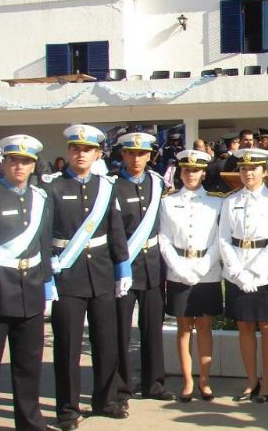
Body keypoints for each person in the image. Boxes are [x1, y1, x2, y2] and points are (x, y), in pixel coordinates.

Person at [44, 124, 132, 430]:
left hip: (102, 275)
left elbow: (115, 229)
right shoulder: (52, 187)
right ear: (68, 152)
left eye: (87, 150)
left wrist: (122, 267)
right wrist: (46, 275)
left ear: (97, 154)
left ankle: (106, 400)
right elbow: (44, 234)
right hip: (67, 277)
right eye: (75, 149)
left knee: (106, 342)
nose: (80, 154)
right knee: (67, 347)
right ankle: (67, 410)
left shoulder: (106, 187)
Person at [0, 135, 52, 431]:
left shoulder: (40, 199)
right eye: (14, 161)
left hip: (30, 292)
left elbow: (44, 243)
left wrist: (47, 283)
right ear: (4, 163)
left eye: (25, 162)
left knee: (28, 366)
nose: (19, 167)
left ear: (33, 166)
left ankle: (30, 423)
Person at [111, 132, 175, 405]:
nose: (136, 159)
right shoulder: (112, 186)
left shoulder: (158, 183)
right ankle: (122, 387)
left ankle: (154, 384)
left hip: (152, 268)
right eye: (131, 153)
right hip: (123, 269)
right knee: (121, 332)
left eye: (141, 154)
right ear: (123, 155)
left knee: (152, 329)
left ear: (149, 156)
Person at [219, 147, 268, 404]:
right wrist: (238, 272)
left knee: (267, 326)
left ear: (264, 171)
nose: (248, 173)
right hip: (237, 271)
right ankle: (251, 381)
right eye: (244, 168)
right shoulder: (230, 201)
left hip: (266, 274)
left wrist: (255, 272)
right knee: (244, 326)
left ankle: (266, 381)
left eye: (254, 168)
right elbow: (223, 239)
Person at [159, 149, 224, 402]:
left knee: (205, 326)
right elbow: (164, 239)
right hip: (178, 270)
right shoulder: (168, 201)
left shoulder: (216, 202)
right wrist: (179, 268)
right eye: (186, 170)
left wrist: (201, 267)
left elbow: (220, 238)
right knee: (184, 328)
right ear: (180, 172)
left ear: (203, 173)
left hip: (207, 271)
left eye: (196, 170)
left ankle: (204, 381)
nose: (190, 175)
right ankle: (187, 381)